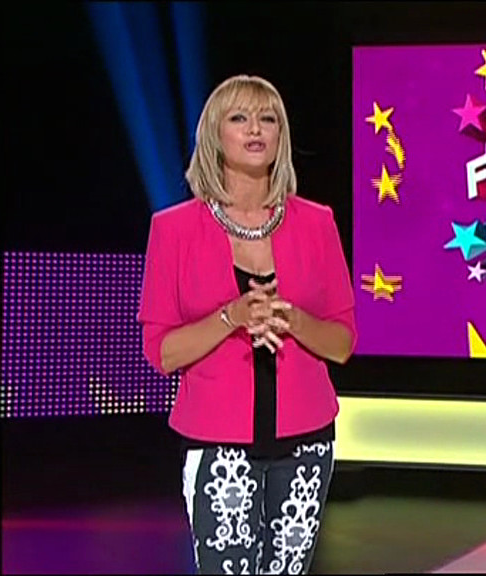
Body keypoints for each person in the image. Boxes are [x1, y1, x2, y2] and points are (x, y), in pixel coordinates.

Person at [137, 74, 357, 575]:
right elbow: (162, 353)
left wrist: (294, 319)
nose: (256, 128)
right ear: (215, 135)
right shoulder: (173, 230)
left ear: (281, 136)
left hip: (306, 440)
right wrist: (230, 317)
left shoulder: (317, 223)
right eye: (240, 118)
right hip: (217, 444)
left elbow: (342, 343)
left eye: (268, 118)